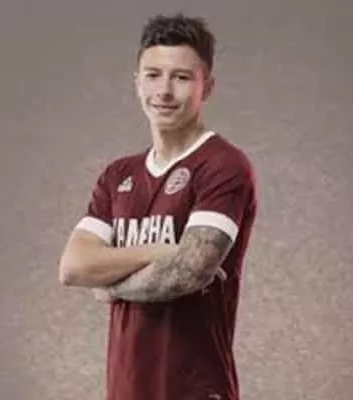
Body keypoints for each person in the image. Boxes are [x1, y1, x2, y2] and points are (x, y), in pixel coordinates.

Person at [59, 12, 257, 400]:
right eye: (153, 75)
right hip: (127, 387)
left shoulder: (223, 165)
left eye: (181, 77)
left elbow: (188, 272)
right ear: (137, 82)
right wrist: (159, 250)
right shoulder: (118, 175)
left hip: (195, 388)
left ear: (206, 86)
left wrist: (110, 287)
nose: (163, 91)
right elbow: (73, 267)